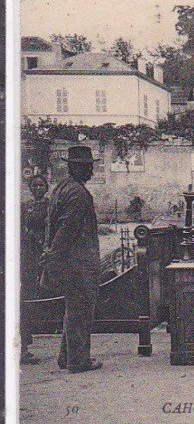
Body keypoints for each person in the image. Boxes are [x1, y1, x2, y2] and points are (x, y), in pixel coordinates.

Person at [40, 146, 102, 373]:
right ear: (78, 167)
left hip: (68, 261)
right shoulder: (78, 193)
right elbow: (67, 229)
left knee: (73, 308)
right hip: (78, 263)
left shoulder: (61, 188)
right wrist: (54, 255)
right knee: (81, 311)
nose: (92, 172)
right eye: (89, 167)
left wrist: (50, 254)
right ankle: (78, 361)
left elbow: (53, 226)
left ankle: (66, 356)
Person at [20, 174, 50, 364]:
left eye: (41, 185)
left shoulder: (49, 206)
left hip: (43, 246)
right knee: (28, 284)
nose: (38, 188)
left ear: (46, 188)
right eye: (34, 185)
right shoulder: (26, 206)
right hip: (29, 249)